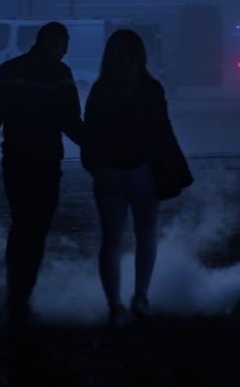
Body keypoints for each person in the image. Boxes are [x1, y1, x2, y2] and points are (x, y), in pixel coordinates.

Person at [0, 22, 85, 330]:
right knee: (38, 227)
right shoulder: (60, 74)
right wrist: (101, 146)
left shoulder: (9, 70)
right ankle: (24, 290)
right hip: (46, 162)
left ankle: (16, 290)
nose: (67, 52)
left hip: (15, 161)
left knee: (21, 224)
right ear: (56, 44)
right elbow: (71, 123)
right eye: (65, 45)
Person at [81, 29, 177, 327]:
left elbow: (90, 133)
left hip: (107, 173)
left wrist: (94, 165)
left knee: (111, 241)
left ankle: (115, 307)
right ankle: (140, 298)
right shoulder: (151, 88)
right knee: (146, 235)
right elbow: (162, 132)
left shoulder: (99, 89)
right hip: (143, 172)